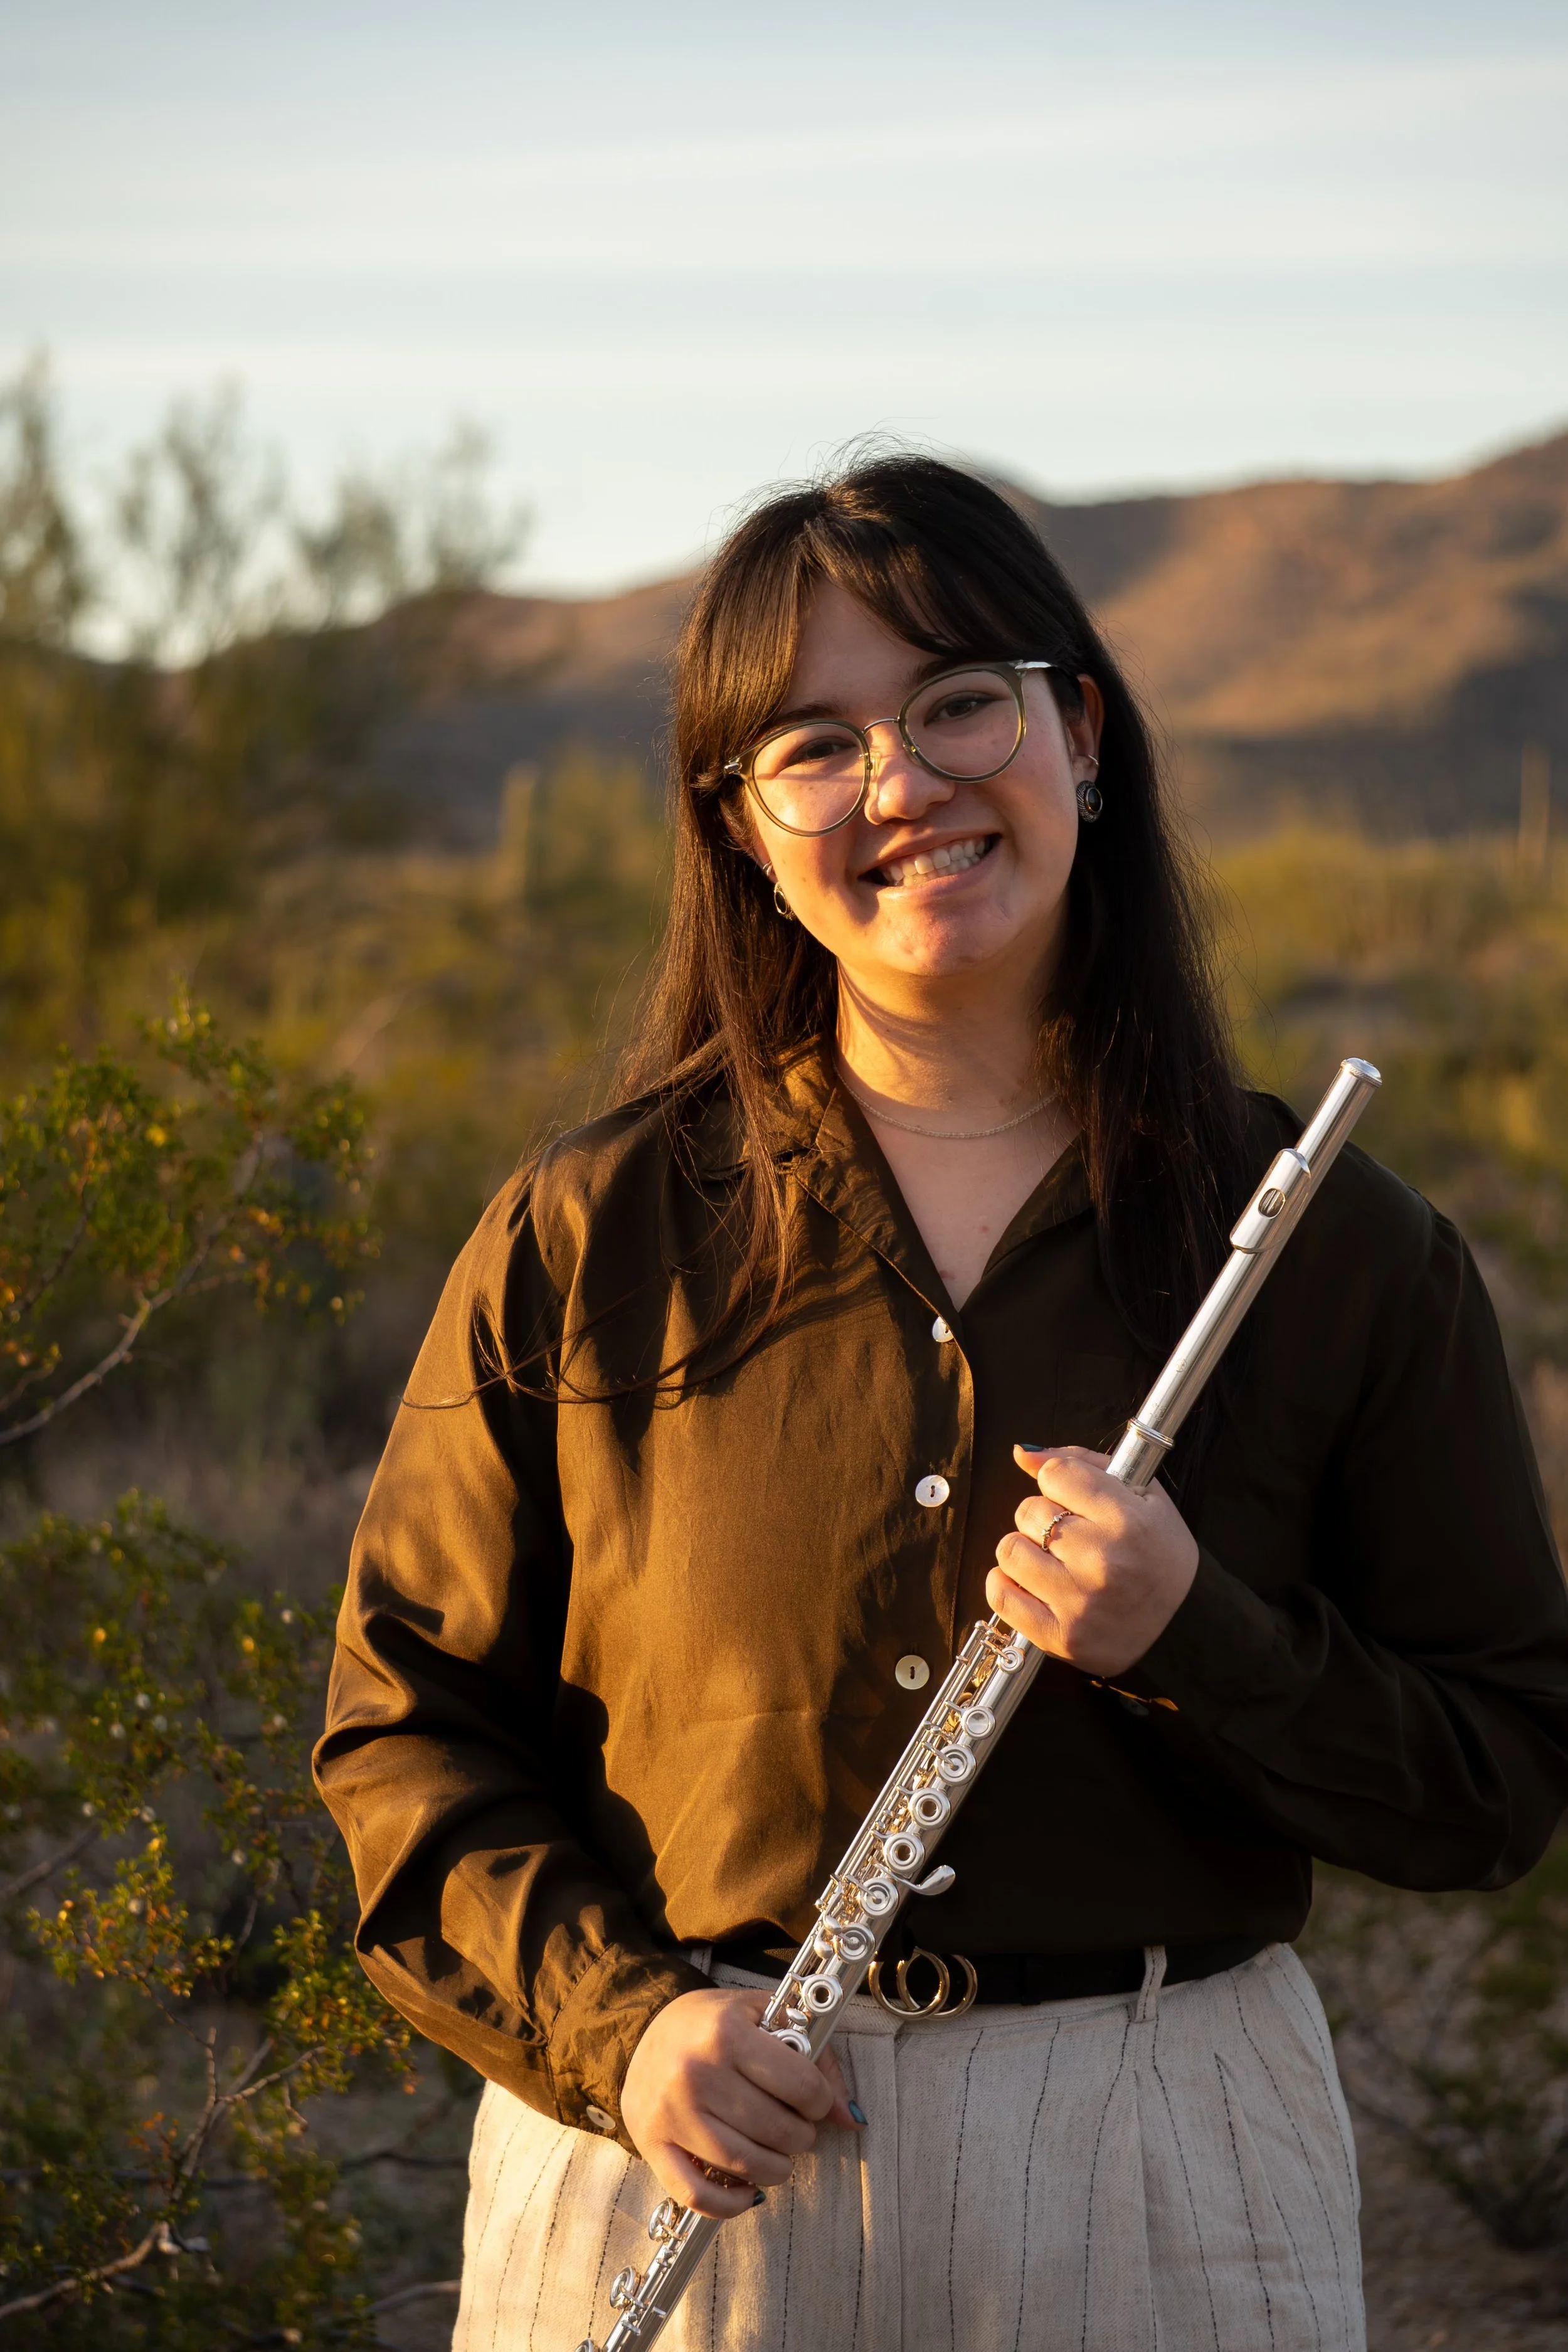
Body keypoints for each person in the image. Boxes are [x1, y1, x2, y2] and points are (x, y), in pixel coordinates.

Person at [314, 455, 1568, 2352]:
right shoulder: (585, 1232)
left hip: (1160, 2166)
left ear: (1081, 737)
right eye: (813, 745)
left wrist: (1193, 1636)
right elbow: (403, 1736)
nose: (902, 783)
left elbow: (1497, 1780)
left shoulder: (1339, 1246)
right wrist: (622, 2025)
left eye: (959, 703)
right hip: (682, 2143)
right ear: (740, 827)